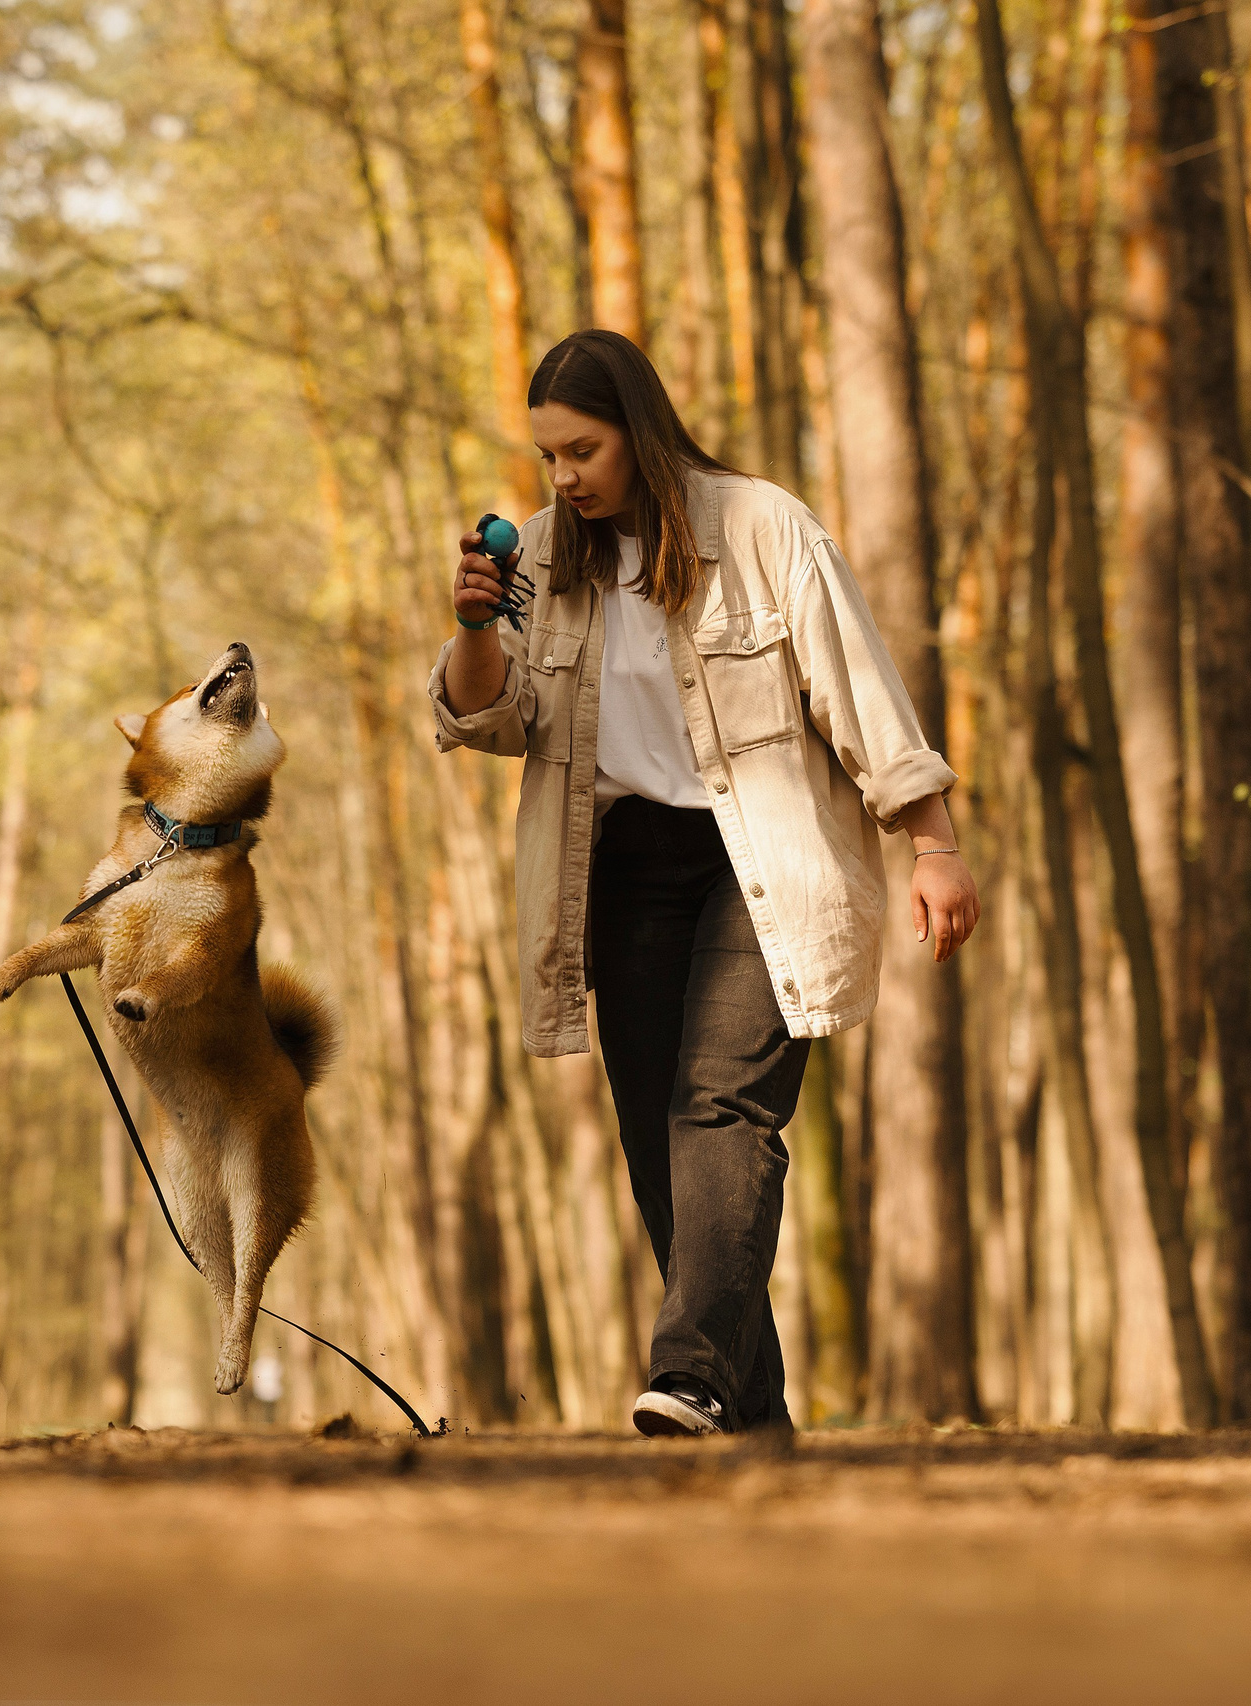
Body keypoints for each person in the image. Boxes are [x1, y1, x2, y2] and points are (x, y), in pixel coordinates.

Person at [431, 329, 979, 1437]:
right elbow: (488, 719)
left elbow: (858, 691)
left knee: (720, 1107)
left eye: (582, 449)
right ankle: (750, 1419)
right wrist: (477, 625)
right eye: (547, 456)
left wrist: (933, 843)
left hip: (761, 859)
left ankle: (686, 1372)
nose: (564, 476)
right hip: (622, 870)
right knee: (655, 1140)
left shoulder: (762, 526)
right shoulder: (541, 554)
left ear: (640, 430)